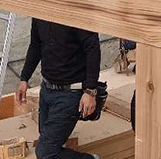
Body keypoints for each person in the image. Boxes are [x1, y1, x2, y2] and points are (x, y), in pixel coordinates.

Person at [17, 19, 102, 159]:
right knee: (47, 138)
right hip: (47, 89)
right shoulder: (40, 11)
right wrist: (24, 78)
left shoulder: (75, 12)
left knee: (45, 152)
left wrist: (90, 91)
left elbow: (92, 49)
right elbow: (35, 45)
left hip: (70, 93)